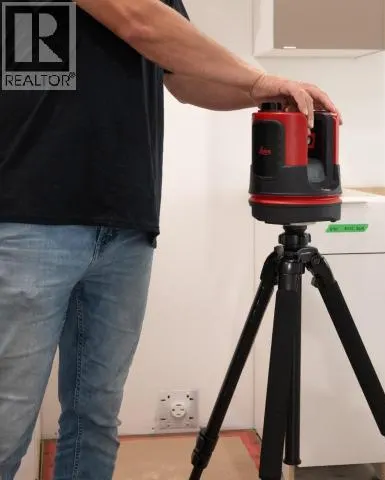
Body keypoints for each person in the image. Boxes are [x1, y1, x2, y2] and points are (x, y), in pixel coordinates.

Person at [0, 0, 341, 477]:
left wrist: (264, 93)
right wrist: (259, 79)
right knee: (7, 420)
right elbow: (140, 22)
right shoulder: (143, 11)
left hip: (126, 224)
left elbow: (183, 76)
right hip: (30, 219)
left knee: (96, 416)